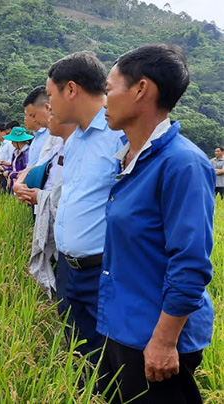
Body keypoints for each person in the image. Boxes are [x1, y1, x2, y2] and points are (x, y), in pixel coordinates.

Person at [97, 44, 215, 404]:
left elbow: (190, 264)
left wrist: (164, 342)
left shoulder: (182, 164)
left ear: (141, 90)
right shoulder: (128, 157)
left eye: (109, 89)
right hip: (122, 326)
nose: (104, 101)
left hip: (155, 339)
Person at [46, 50, 125, 362]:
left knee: (106, 358)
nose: (49, 105)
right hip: (70, 269)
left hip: (101, 271)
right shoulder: (76, 139)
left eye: (51, 95)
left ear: (71, 89)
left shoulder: (119, 136)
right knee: (77, 353)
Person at [13, 118, 76, 299]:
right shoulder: (53, 141)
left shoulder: (84, 140)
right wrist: (18, 183)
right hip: (43, 203)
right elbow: (38, 165)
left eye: (29, 114)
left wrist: (40, 196)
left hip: (63, 213)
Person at [24, 86, 64, 167]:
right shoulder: (47, 135)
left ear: (47, 107)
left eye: (33, 115)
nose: (34, 120)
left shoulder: (58, 134)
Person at [0, 122, 18, 192]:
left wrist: (2, 163)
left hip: (8, 175)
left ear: (3, 132)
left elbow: (13, 162)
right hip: (2, 175)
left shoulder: (10, 144)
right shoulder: (2, 145)